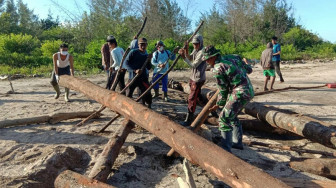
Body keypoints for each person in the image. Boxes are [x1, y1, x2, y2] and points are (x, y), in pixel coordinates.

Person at [203, 45, 254, 153]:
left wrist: (219, 103)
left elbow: (223, 89)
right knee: (232, 114)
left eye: (208, 59)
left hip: (240, 93)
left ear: (213, 57)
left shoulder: (217, 68)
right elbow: (249, 70)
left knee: (223, 118)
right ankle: (237, 142)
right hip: (249, 89)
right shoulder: (232, 57)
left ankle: (225, 148)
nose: (207, 61)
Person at [178, 34, 207, 126]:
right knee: (197, 96)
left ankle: (188, 119)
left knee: (192, 98)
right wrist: (186, 49)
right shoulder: (196, 49)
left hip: (198, 78)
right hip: (193, 77)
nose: (194, 45)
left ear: (200, 43)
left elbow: (193, 65)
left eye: (196, 44)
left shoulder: (202, 52)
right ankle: (210, 109)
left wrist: (183, 57)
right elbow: (190, 57)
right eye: (193, 44)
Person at [123, 37, 152, 108]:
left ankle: (146, 107)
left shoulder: (146, 54)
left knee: (146, 93)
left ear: (146, 45)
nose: (143, 46)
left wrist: (149, 60)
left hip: (143, 78)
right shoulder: (133, 52)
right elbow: (125, 64)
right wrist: (135, 70)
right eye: (141, 44)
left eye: (144, 44)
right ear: (138, 45)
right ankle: (127, 108)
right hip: (133, 77)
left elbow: (149, 67)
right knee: (128, 94)